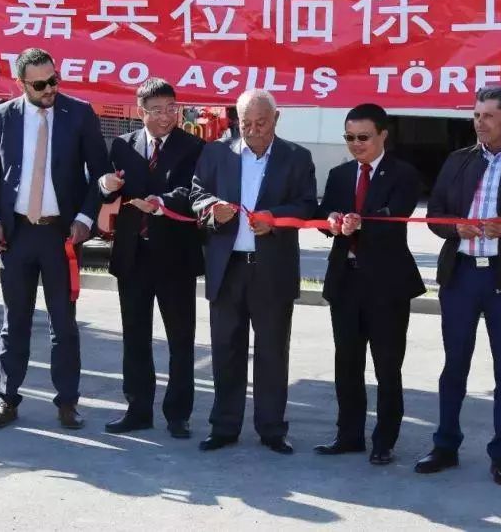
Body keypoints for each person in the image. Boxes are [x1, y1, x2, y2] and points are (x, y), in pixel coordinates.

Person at [414, 86, 501, 486]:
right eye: (476, 115)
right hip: (461, 276)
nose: (479, 123)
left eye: (488, 116)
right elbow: (435, 214)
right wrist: (454, 228)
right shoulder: (458, 160)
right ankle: (445, 446)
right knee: (454, 365)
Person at [0, 48, 110, 430]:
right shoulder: (2, 116)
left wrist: (85, 218)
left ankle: (67, 402)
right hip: (16, 234)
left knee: (64, 325)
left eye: (53, 80)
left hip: (61, 236)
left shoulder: (79, 113)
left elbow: (100, 173)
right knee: (14, 321)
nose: (50, 88)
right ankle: (6, 399)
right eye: (39, 85)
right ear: (21, 84)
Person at [189, 89, 317, 455]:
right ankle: (224, 426)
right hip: (227, 267)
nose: (253, 130)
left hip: (271, 269)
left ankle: (272, 429)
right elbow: (196, 194)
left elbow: (307, 205)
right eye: (246, 124)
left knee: (272, 352)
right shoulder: (217, 152)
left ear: (276, 119)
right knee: (226, 350)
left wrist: (275, 219)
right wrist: (212, 209)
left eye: (261, 123)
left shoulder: (296, 157)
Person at [314, 103, 425, 465]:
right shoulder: (340, 174)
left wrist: (362, 222)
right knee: (346, 362)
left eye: (363, 137)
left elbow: (398, 213)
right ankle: (348, 435)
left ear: (382, 135)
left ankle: (384, 441)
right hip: (345, 279)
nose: (356, 144)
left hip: (387, 284)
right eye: (349, 137)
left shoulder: (403, 173)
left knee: (387, 365)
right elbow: (324, 215)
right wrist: (331, 219)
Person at [98, 78, 204, 439]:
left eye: (171, 108)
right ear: (141, 111)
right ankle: (137, 409)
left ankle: (178, 414)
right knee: (135, 337)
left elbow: (193, 192)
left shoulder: (193, 146)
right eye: (157, 110)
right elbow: (106, 187)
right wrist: (106, 185)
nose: (165, 116)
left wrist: (162, 203)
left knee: (180, 339)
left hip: (175, 256)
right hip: (133, 255)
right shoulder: (122, 145)